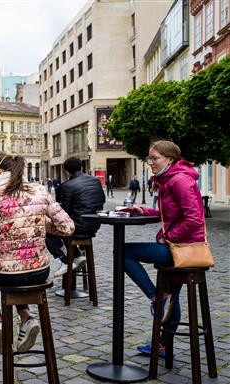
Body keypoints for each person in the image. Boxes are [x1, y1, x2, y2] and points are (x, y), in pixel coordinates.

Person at [0, 153, 74, 354]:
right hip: (40, 271)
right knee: (16, 281)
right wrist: (39, 224)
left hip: (5, 273)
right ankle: (27, 319)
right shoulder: (40, 190)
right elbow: (67, 228)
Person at [122, 140, 206, 357]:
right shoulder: (169, 180)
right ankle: (162, 343)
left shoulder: (179, 181)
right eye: (149, 158)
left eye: (155, 158)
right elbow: (168, 215)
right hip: (178, 247)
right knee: (173, 294)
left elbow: (195, 220)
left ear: (169, 159)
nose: (150, 162)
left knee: (124, 252)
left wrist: (168, 237)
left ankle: (156, 296)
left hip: (183, 248)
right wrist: (143, 211)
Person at [46, 157, 106, 277]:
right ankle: (77, 255)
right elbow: (102, 200)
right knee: (62, 229)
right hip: (95, 224)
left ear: (66, 171)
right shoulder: (96, 181)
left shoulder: (66, 186)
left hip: (77, 227)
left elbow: (63, 213)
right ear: (81, 167)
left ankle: (66, 260)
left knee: (47, 233)